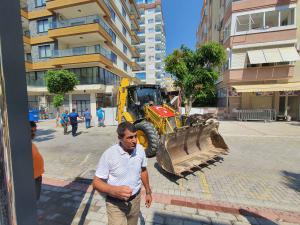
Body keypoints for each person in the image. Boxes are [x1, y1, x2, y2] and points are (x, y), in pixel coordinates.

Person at [93, 122, 152, 225]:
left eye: (135, 136)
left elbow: (143, 170)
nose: (134, 140)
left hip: (135, 200)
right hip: (115, 204)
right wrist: (113, 190)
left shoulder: (140, 150)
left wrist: (148, 192)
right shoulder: (109, 155)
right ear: (120, 138)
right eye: (130, 138)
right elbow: (96, 182)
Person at [30, 121, 44, 200]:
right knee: (33, 200)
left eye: (34, 131)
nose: (34, 133)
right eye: (31, 131)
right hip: (33, 178)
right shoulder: (25, 144)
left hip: (36, 176)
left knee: (35, 199)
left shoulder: (29, 142)